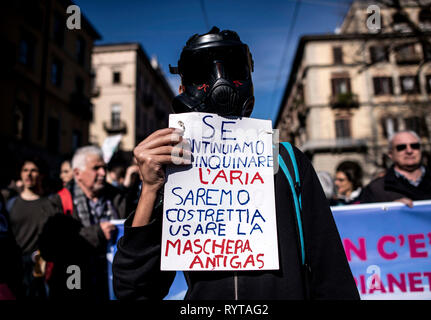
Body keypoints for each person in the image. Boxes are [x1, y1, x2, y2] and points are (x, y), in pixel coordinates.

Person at [112, 27, 359, 300]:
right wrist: (150, 189)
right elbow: (133, 288)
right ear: (182, 87)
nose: (221, 82)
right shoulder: (174, 168)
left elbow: (331, 272)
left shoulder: (287, 161)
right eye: (201, 72)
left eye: (233, 69)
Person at [39, 146, 133, 299]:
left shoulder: (118, 197)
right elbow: (49, 247)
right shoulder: (58, 202)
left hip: (111, 283)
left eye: (104, 167)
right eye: (96, 168)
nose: (103, 173)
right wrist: (97, 233)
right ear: (77, 173)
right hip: (73, 281)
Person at [7, 156, 61, 298]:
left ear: (41, 175)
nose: (28, 174)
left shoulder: (50, 204)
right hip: (14, 268)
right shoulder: (11, 204)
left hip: (40, 270)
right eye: (25, 170)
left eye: (33, 170)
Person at [360, 130, 431, 207]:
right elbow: (367, 221)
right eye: (401, 147)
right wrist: (390, 209)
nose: (409, 151)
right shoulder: (375, 189)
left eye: (414, 146)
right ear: (390, 154)